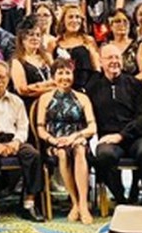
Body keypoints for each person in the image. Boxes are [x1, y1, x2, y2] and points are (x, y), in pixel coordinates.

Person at [0, 61, 46, 225]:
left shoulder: (16, 101)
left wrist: (17, 142)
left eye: (2, 77)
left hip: (13, 140)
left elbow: (23, 127)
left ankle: (28, 203)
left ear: (8, 79)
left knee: (33, 155)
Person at [87, 42, 142, 206]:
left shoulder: (134, 84)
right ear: (101, 62)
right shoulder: (93, 87)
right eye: (109, 57)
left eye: (117, 57)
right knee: (104, 155)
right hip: (108, 138)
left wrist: (122, 135)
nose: (114, 61)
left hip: (136, 136)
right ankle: (120, 199)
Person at [37, 58, 97, 224]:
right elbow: (40, 128)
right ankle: (74, 202)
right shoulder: (45, 98)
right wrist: (53, 140)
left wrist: (75, 137)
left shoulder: (82, 97)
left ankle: (83, 204)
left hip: (77, 139)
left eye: (68, 73)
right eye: (60, 73)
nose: (65, 77)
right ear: (54, 76)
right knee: (62, 154)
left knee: (79, 150)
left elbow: (92, 127)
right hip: (55, 142)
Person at [11, 20, 54, 106]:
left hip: (51, 103)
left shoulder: (47, 57)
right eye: (31, 35)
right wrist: (48, 86)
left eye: (38, 35)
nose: (35, 38)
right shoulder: (17, 61)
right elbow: (22, 90)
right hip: (29, 105)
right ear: (22, 39)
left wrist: (34, 88)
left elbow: (57, 80)